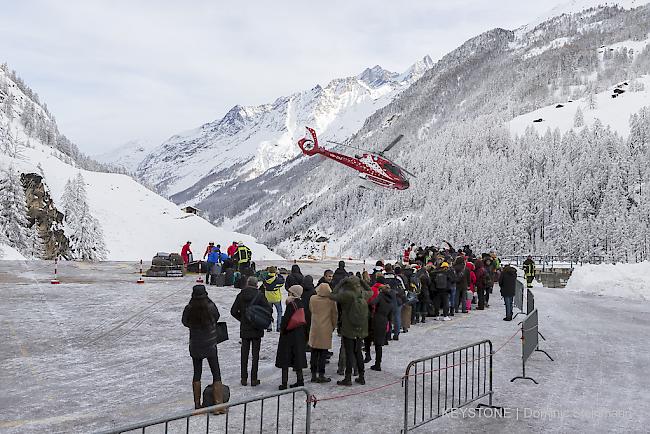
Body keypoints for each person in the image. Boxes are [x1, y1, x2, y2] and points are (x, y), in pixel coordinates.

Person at [182, 285, 225, 414]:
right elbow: (217, 316)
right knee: (216, 372)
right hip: (210, 343)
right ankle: (218, 405)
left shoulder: (189, 308)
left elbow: (184, 322)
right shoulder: (210, 306)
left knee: (197, 373)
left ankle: (197, 404)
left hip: (195, 344)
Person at [328, 276, 373, 386]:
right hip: (361, 328)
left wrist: (341, 283)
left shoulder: (347, 295)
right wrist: (362, 281)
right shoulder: (363, 294)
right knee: (358, 352)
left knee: (349, 353)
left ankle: (347, 378)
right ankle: (361, 376)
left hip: (348, 328)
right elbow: (370, 291)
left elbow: (332, 295)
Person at [230, 277, 272, 386]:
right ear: (256, 284)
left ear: (247, 284)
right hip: (257, 328)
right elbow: (269, 310)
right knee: (255, 354)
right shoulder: (260, 295)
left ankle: (243, 378)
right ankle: (254, 378)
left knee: (244, 354)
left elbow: (233, 311)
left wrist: (242, 319)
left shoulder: (241, 295)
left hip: (245, 328)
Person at [276, 285, 308, 390]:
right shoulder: (301, 303)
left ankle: (284, 383)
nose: (288, 293)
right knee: (297, 358)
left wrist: (282, 329)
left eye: (290, 292)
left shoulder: (291, 305)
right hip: (299, 334)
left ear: (294, 293)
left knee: (285, 359)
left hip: (289, 335)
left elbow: (286, 321)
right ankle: (300, 380)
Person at [308, 282, 338, 382]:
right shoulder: (331, 301)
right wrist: (333, 326)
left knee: (314, 353)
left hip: (315, 328)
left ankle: (313, 374)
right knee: (323, 354)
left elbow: (311, 310)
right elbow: (334, 315)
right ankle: (321, 374)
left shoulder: (313, 299)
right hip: (326, 328)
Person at [369, 284, 393, 371]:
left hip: (378, 319)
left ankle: (377, 364)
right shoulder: (390, 300)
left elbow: (372, 302)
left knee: (377, 344)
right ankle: (378, 363)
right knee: (379, 344)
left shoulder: (380, 296)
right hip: (385, 320)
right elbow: (391, 316)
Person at [263, 266, 285, 332]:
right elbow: (283, 281)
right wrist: (279, 274)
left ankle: (269, 327)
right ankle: (279, 327)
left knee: (268, 312)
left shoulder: (265, 279)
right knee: (279, 312)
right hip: (276, 298)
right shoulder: (277, 279)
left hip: (268, 297)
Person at [301, 275, 316, 348]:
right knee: (309, 329)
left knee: (303, 329)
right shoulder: (313, 290)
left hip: (302, 311)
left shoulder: (301, 289)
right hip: (310, 312)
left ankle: (303, 344)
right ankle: (309, 344)